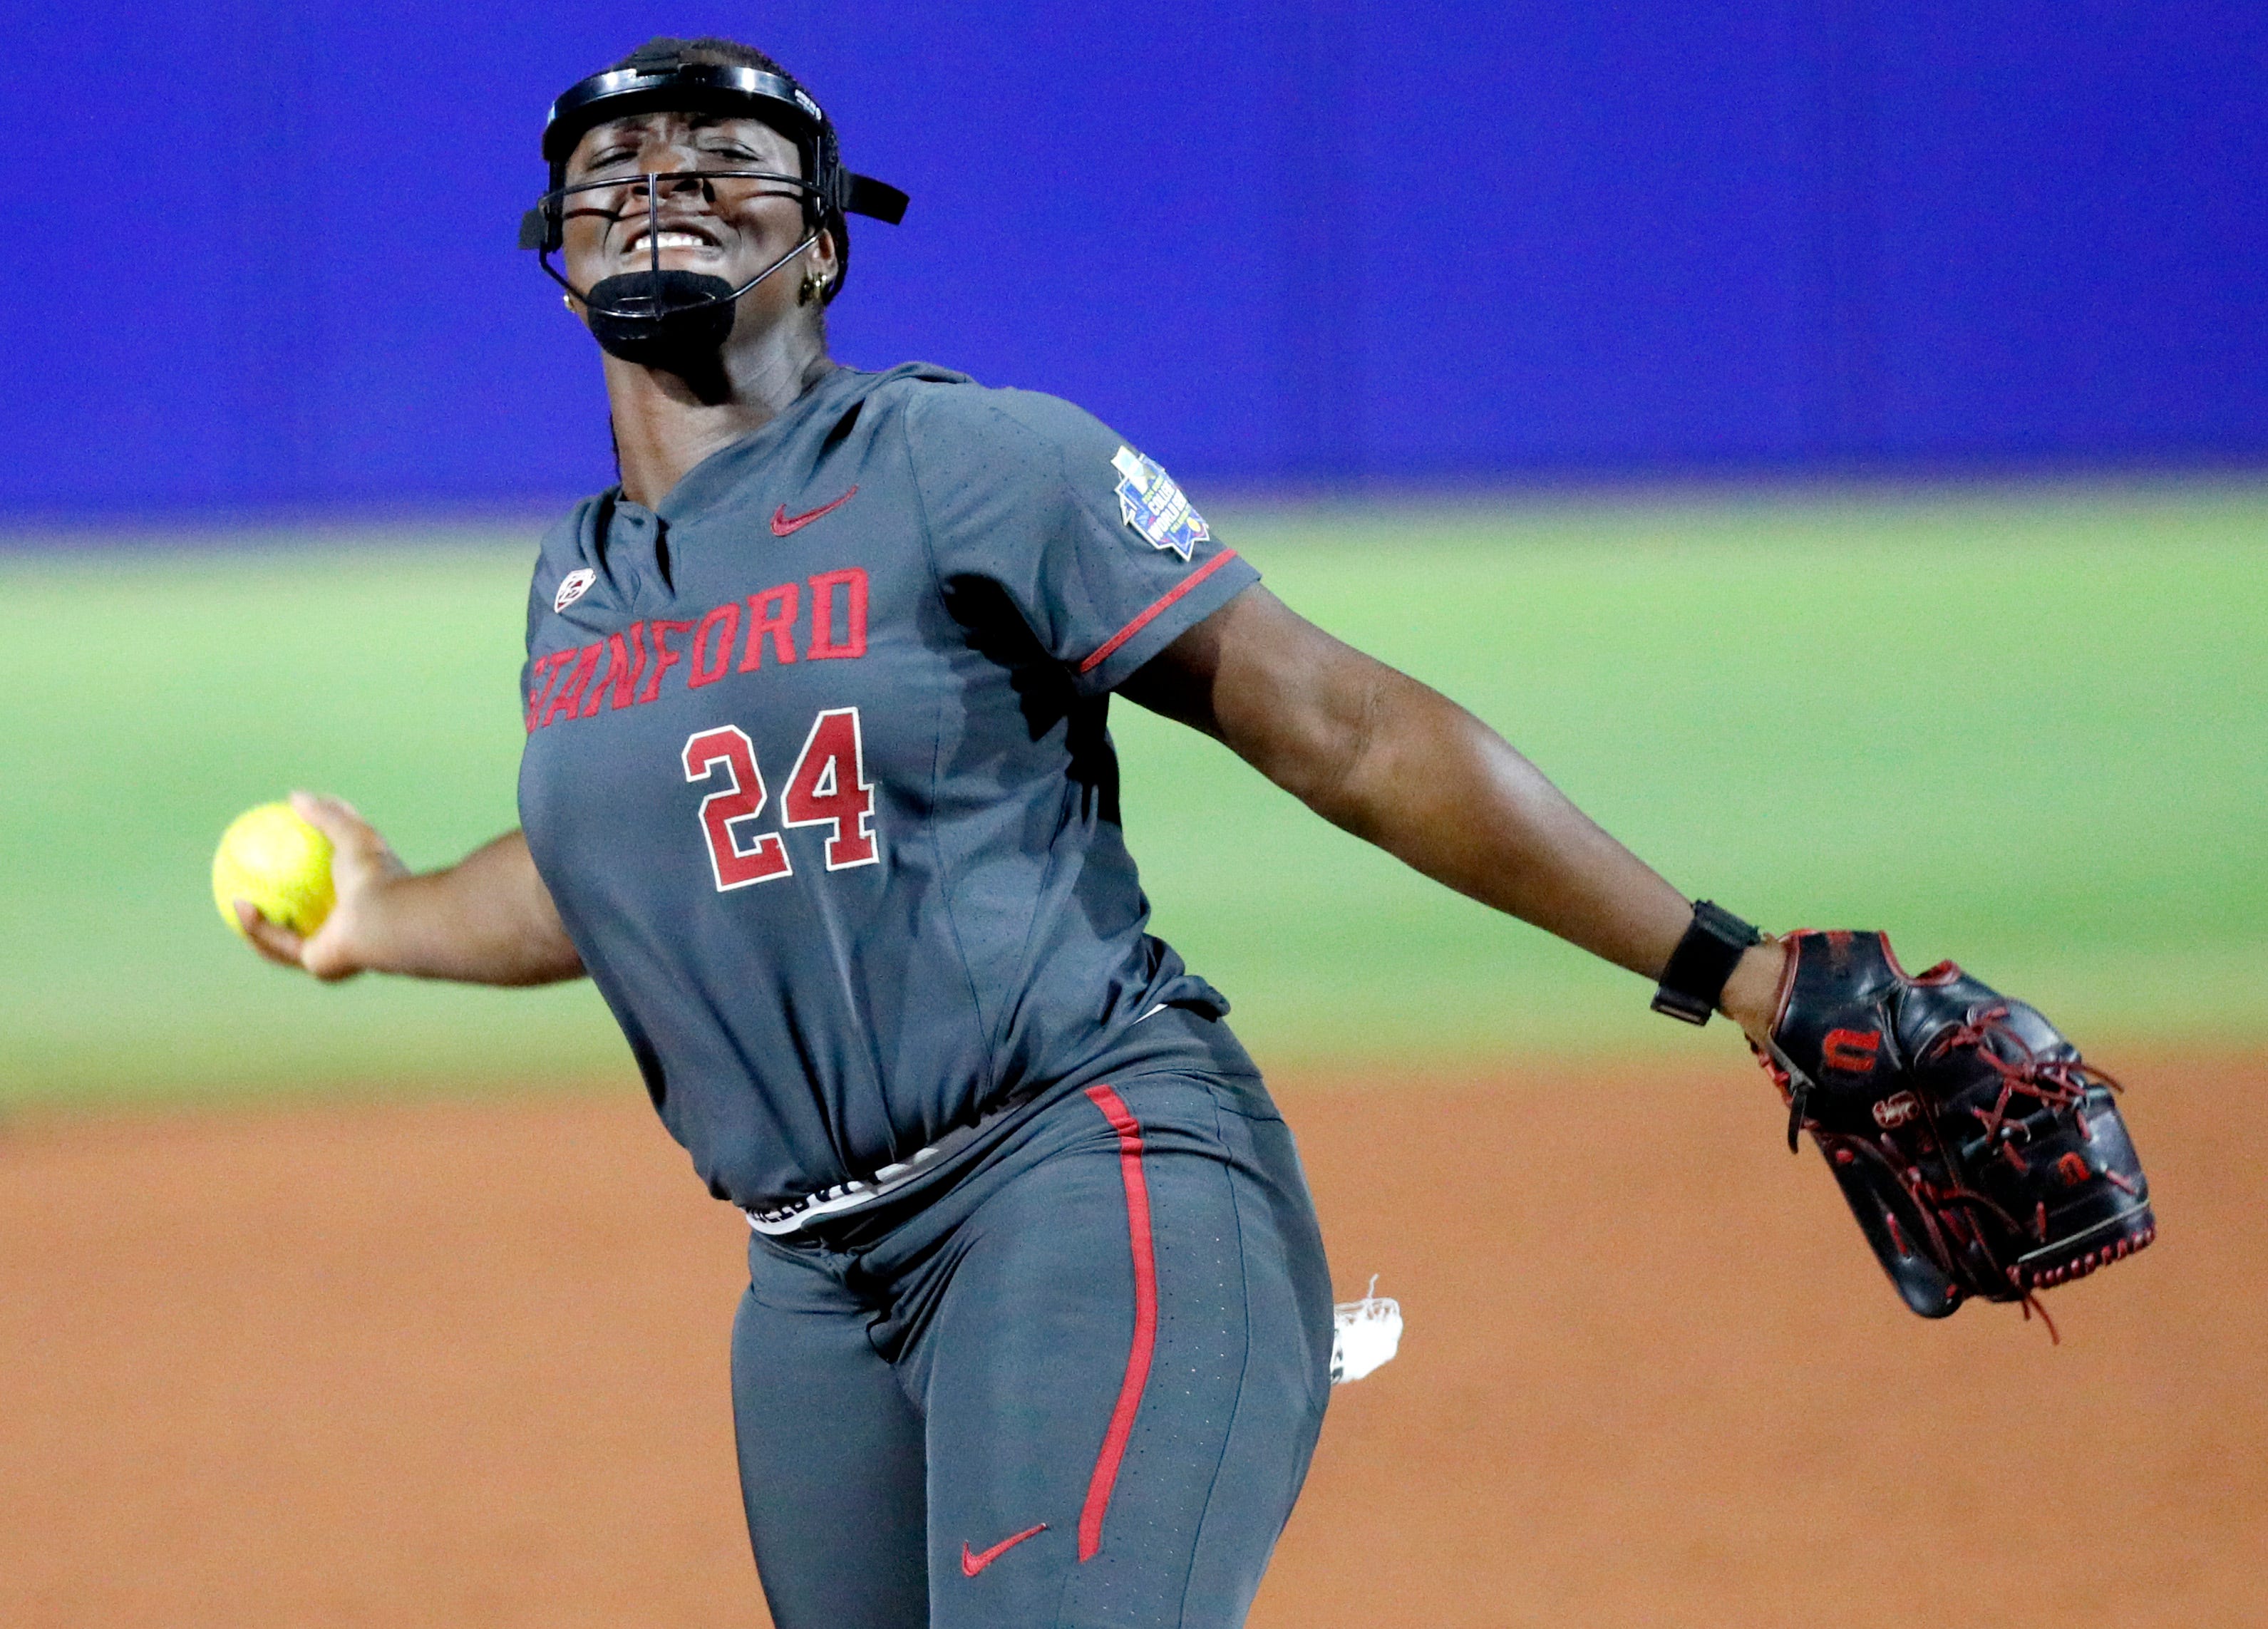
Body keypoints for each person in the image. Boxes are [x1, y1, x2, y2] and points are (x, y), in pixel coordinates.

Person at [237, 35, 1793, 1629]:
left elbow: (1346, 728)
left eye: (717, 160)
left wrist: (1738, 974)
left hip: (1080, 1180)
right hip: (811, 1296)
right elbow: (633, 880)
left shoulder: (965, 463)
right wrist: (383, 914)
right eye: (613, 176)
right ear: (558, 269)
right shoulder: (581, 586)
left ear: (824, 240)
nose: (659, 194)